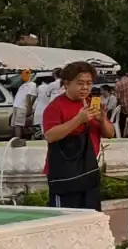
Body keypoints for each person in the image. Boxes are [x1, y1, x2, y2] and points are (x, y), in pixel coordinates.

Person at [41, 62, 107, 209]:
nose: (85, 88)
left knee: (91, 215)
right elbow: (50, 135)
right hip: (64, 172)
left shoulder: (91, 104)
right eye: (80, 83)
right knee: (65, 217)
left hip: (88, 170)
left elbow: (110, 133)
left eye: (89, 83)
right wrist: (78, 119)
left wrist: (102, 120)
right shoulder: (55, 106)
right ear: (67, 83)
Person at [10, 69, 38, 138]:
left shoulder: (22, 86)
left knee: (16, 125)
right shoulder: (32, 85)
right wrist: (30, 108)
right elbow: (28, 96)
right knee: (19, 125)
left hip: (16, 105)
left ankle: (15, 139)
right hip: (22, 107)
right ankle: (18, 139)